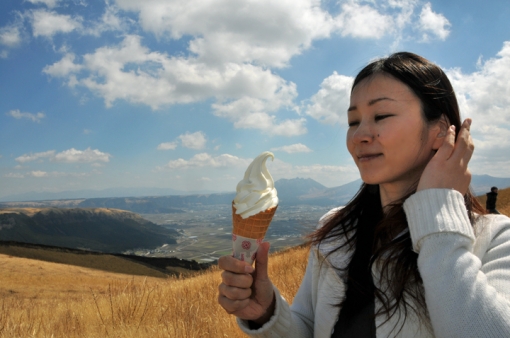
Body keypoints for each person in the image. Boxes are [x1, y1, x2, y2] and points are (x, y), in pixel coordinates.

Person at [217, 52, 510, 337]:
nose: (359, 135)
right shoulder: (335, 231)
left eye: (381, 115)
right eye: (353, 121)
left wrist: (439, 214)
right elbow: (309, 328)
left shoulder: (494, 239)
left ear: (440, 130)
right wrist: (268, 312)